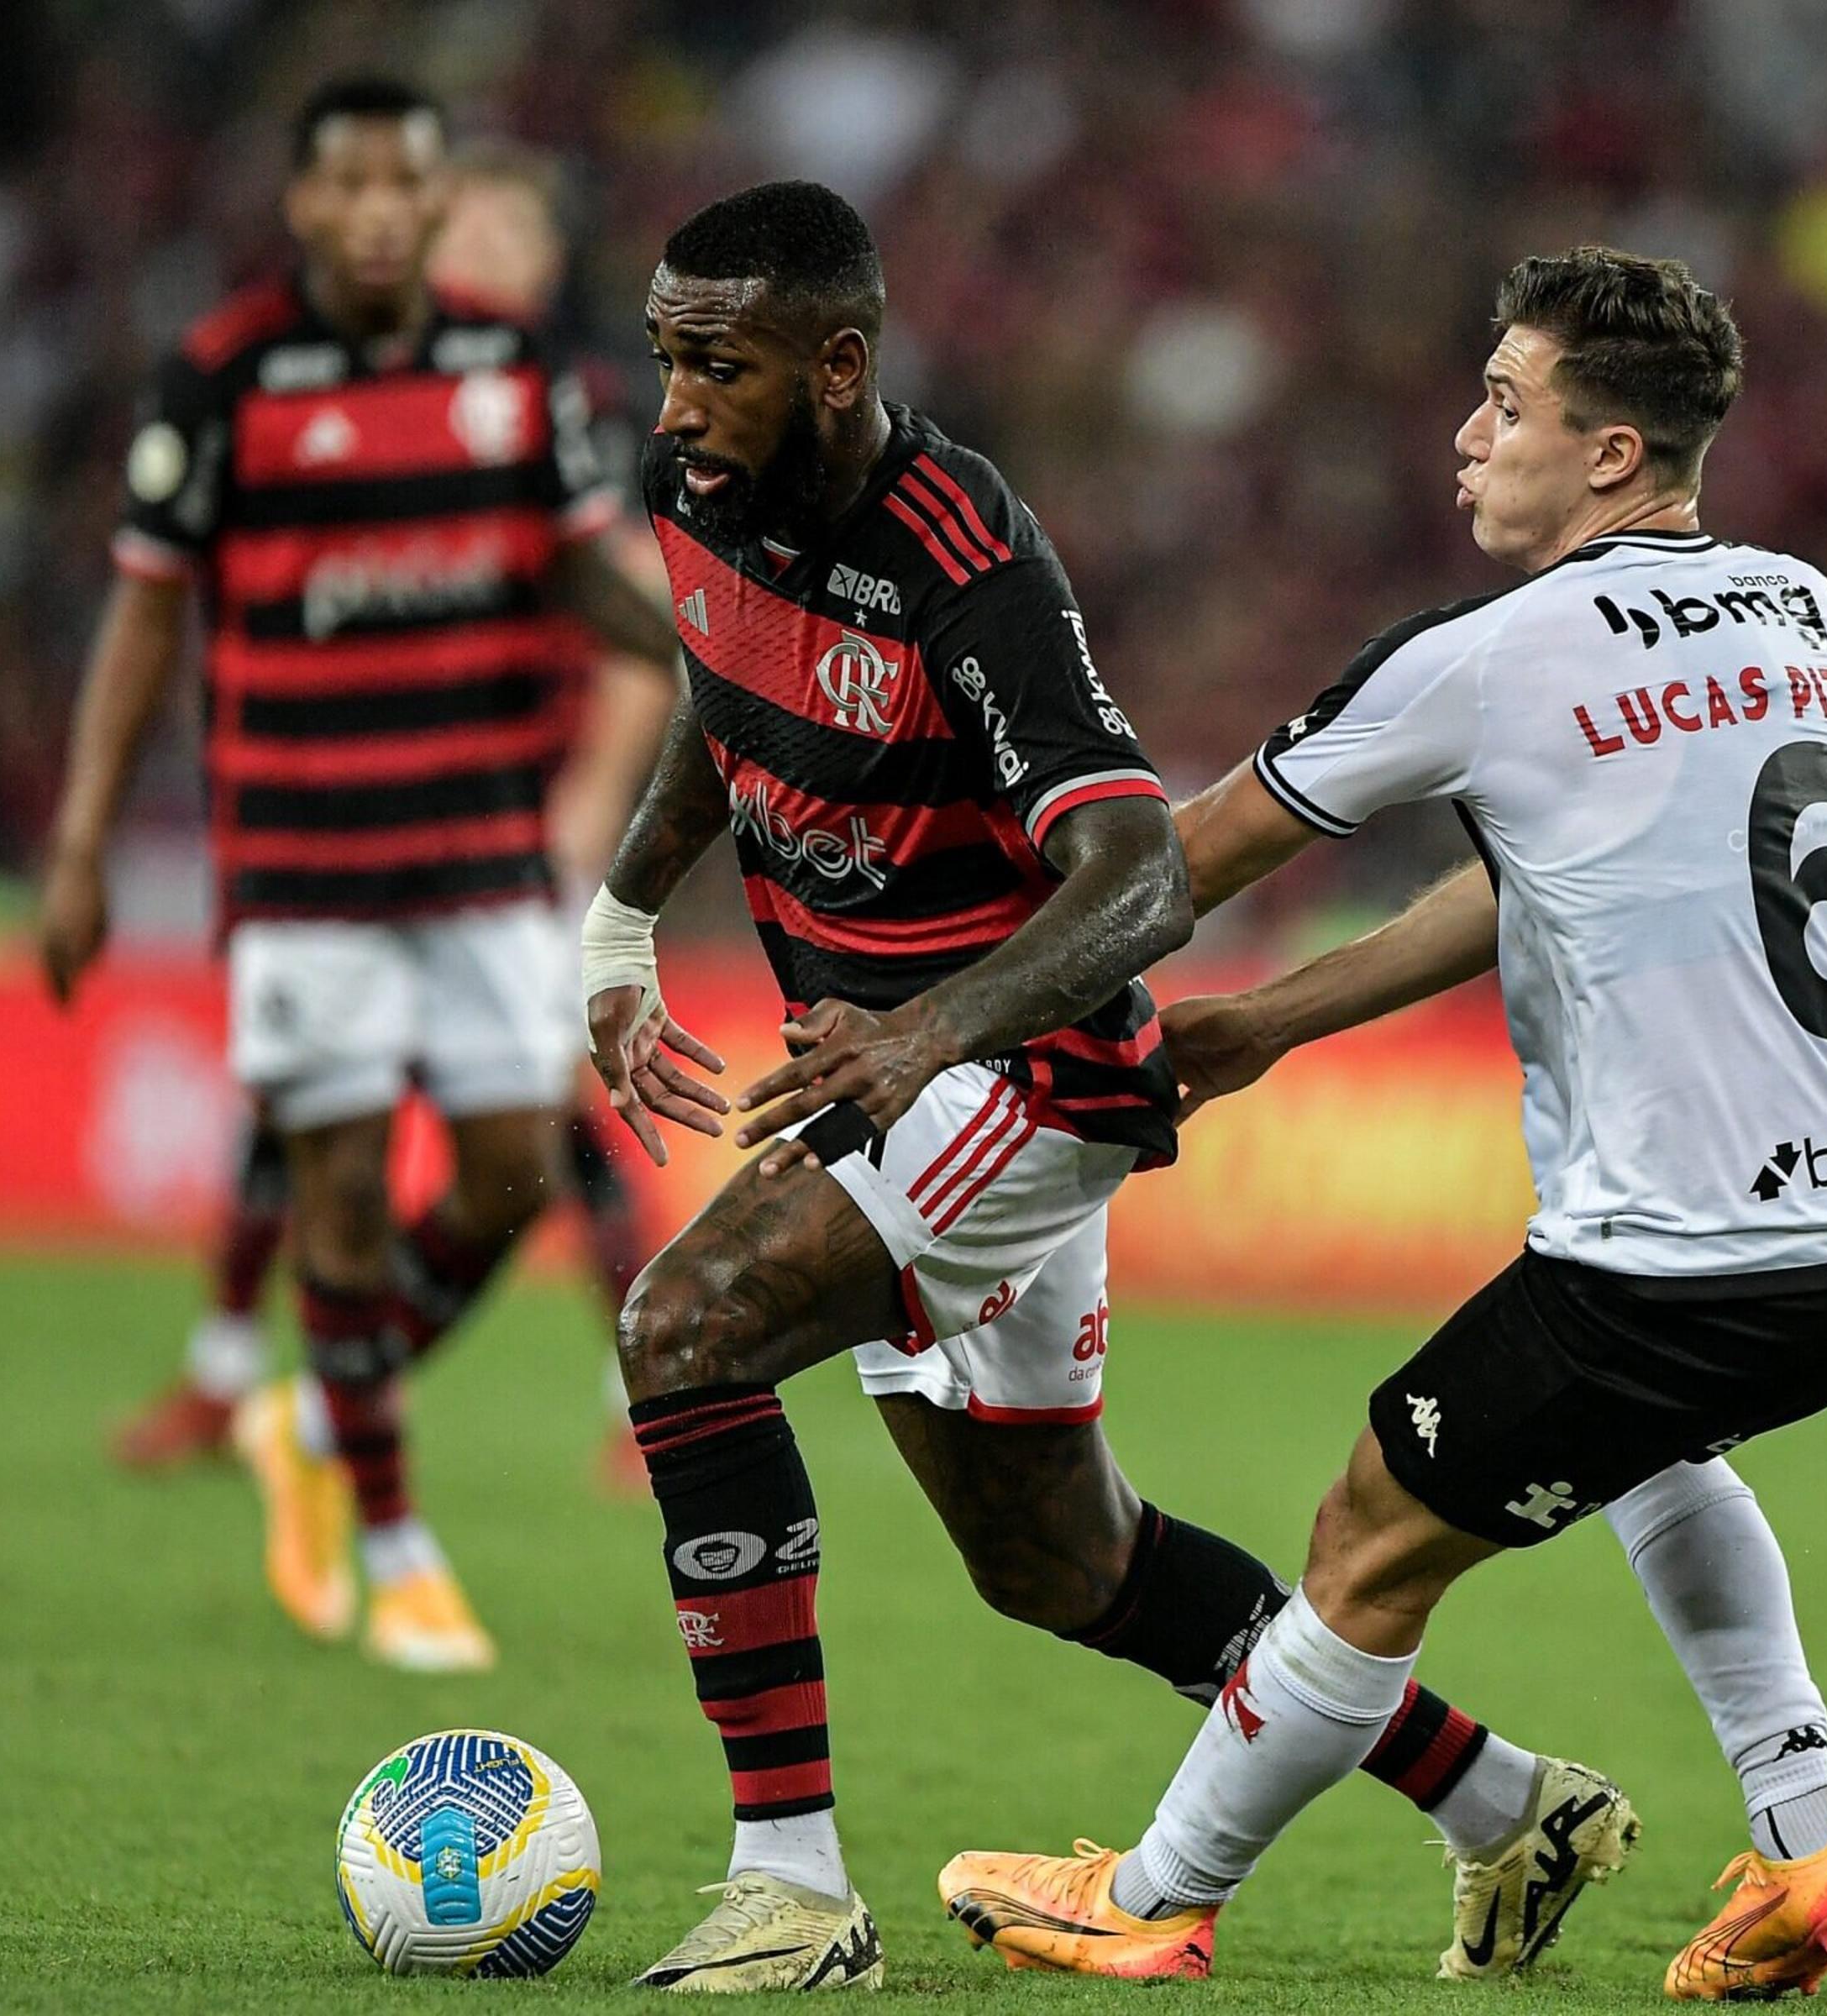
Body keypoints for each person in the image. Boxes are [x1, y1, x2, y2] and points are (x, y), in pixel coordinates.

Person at [585, 181, 1601, 1994]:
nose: (671, 405)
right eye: (664, 356)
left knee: (685, 1328)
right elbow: (719, 686)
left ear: (838, 366)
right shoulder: (700, 493)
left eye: (712, 366)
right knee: (1060, 1565)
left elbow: (1134, 879)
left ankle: (793, 1892)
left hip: (1022, 1077)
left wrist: (920, 1035)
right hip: (890, 1085)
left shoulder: (966, 564)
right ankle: (1507, 1804)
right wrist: (617, 922)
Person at [937, 247, 1827, 1999]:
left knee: (1366, 1536)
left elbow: (1175, 867)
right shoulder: (1801, 603)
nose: (1467, 432)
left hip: (1684, 1257)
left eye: (1509, 400)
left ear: (1616, 453)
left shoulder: (1487, 661)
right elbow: (1530, 880)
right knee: (1656, 1449)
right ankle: (1810, 1846)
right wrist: (1265, 1027)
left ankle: (1161, 1897)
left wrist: (942, 994)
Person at [39, 76, 682, 1671]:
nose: (387, 209)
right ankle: (390, 1534)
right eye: (357, 185)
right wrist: (78, 836)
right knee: (331, 1187)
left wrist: (718, 677)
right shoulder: (224, 376)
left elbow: (584, 583)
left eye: (414, 180)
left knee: (508, 1168)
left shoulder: (516, 371)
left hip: (474, 853)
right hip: (305, 861)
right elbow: (143, 614)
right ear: (307, 205)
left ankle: (315, 1409)